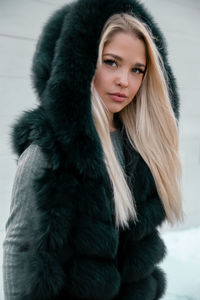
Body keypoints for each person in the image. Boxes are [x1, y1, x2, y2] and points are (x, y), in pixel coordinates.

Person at [3, 0, 184, 299]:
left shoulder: (141, 148)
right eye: (111, 62)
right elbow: (17, 246)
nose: (124, 81)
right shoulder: (48, 153)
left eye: (137, 69)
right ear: (81, 64)